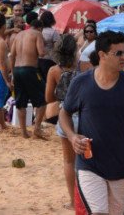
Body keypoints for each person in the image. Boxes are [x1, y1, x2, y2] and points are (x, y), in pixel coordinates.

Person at [59, 30, 124, 215]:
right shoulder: (81, 82)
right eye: (118, 53)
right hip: (89, 164)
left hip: (121, 166)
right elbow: (64, 113)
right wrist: (72, 136)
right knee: (98, 212)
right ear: (102, 55)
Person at [44, 33, 80, 209]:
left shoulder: (54, 71)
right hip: (85, 113)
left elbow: (49, 97)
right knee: (87, 159)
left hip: (65, 113)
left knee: (68, 161)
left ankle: (73, 201)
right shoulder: (85, 67)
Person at [8, 11, 47, 139]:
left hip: (18, 70)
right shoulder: (37, 34)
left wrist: (13, 74)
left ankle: (24, 131)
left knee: (20, 102)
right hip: (30, 69)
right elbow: (41, 53)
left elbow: (12, 55)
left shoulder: (18, 35)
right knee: (42, 100)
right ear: (40, 28)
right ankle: (37, 128)